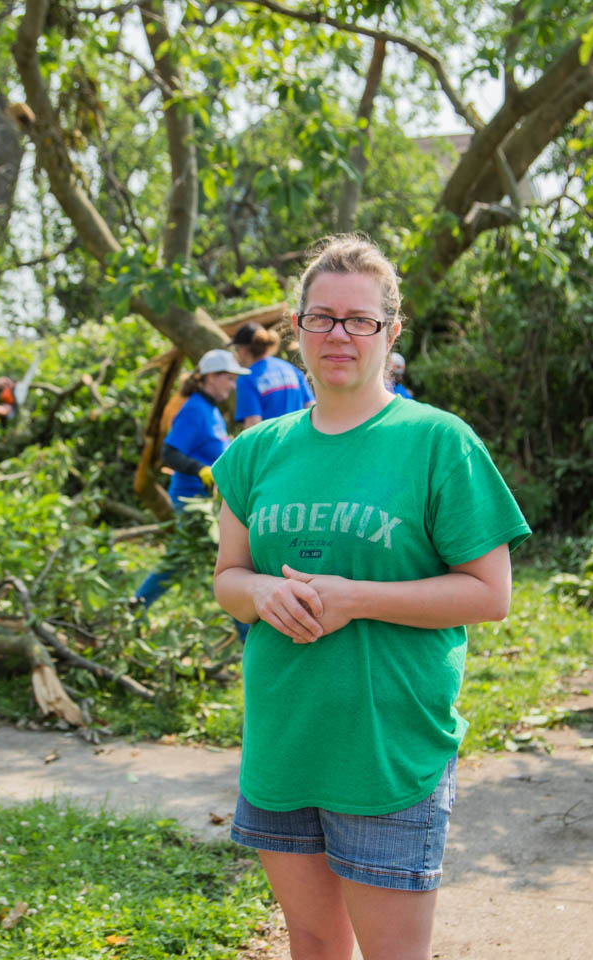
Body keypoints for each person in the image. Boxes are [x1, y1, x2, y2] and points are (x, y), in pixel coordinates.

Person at [210, 235, 529, 960]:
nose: (338, 336)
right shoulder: (257, 451)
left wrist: (358, 597)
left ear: (391, 330)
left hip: (387, 750)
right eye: (320, 318)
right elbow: (228, 579)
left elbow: (489, 593)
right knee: (315, 945)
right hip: (284, 742)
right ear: (297, 330)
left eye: (359, 320)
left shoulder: (438, 443)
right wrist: (258, 591)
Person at [134, 349, 252, 641]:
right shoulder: (194, 409)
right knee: (225, 563)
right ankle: (247, 634)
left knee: (189, 561)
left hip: (208, 503)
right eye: (228, 378)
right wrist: (201, 470)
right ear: (210, 377)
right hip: (191, 501)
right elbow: (169, 452)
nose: (232, 384)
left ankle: (135, 607)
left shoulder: (210, 409)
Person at [229, 321, 314, 428]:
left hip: (273, 443)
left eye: (236, 349)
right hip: (300, 438)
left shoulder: (247, 378)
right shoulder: (290, 369)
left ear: (244, 350)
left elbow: (253, 424)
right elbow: (310, 407)